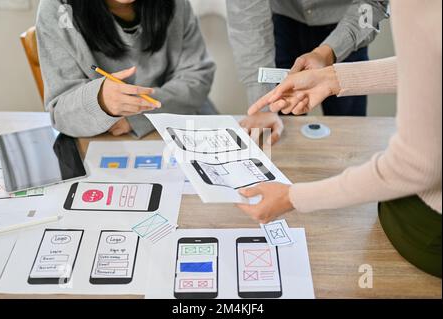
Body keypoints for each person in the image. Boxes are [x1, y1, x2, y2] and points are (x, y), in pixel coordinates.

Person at [237, 0, 442, 278]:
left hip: (428, 226)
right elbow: (426, 68)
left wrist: (292, 197)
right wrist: (332, 78)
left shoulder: (418, 8)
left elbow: (413, 167)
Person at [36, 0, 216, 138]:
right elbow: (60, 112)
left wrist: (137, 114)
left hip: (183, 123)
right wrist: (99, 101)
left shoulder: (175, 4)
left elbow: (197, 76)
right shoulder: (57, 9)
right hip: (104, 139)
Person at [227, 0, 389, 145]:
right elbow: (246, 13)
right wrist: (263, 106)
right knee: (282, 131)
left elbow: (374, 3)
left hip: (349, 22)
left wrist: (326, 53)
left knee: (349, 133)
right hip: (283, 22)